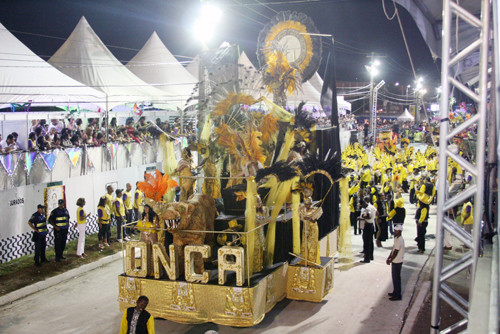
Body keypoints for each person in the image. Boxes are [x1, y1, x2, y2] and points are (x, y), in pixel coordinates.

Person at [137, 205, 160, 275]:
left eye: (147, 208)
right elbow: (139, 225)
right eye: (145, 208)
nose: (145, 209)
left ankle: (153, 270)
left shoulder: (154, 216)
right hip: (144, 236)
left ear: (150, 208)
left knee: (152, 253)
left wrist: (152, 228)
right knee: (144, 252)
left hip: (151, 235)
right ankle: (144, 269)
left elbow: (157, 226)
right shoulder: (142, 216)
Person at [386, 224, 405, 301]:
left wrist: (390, 260)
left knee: (396, 278)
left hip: (398, 261)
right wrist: (389, 257)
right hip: (395, 260)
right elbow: (393, 249)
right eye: (394, 230)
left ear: (400, 231)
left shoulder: (400, 239)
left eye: (396, 230)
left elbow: (396, 252)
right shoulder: (396, 238)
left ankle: (398, 295)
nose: (394, 231)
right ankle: (395, 292)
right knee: (394, 278)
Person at [359, 198, 377, 263]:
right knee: (371, 242)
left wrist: (362, 217)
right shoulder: (372, 207)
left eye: (362, 206)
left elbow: (368, 216)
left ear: (364, 204)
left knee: (366, 243)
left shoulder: (367, 209)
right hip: (372, 224)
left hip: (367, 225)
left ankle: (367, 258)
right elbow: (377, 213)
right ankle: (371, 256)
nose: (362, 207)